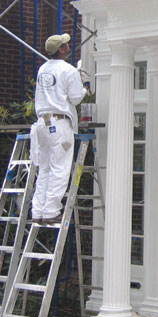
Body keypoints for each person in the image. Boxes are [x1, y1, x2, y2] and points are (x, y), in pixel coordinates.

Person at [30, 33, 89, 225]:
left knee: (45, 167)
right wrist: (85, 87)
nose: (69, 45)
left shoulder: (42, 69)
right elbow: (76, 98)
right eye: (65, 44)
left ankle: (38, 210)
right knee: (60, 167)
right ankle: (51, 211)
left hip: (43, 124)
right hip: (59, 126)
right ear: (61, 49)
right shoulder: (69, 70)